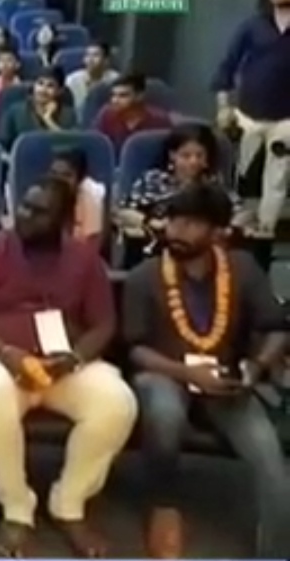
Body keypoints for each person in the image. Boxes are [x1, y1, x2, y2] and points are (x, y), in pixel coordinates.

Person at [0, 176, 136, 558]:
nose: (25, 216)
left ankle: (69, 502)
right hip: (2, 360)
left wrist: (75, 359)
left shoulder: (85, 260)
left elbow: (104, 323)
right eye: (24, 206)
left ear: (64, 221)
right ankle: (17, 507)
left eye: (40, 212)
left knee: (118, 403)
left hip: (63, 364)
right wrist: (6, 354)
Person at [122, 186, 290, 558]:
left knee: (270, 462)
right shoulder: (144, 276)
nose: (177, 231)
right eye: (174, 221)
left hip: (226, 381)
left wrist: (256, 367)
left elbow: (276, 328)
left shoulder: (243, 269)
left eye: (191, 223)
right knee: (164, 410)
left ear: (217, 232)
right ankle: (164, 507)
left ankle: (276, 552)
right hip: (165, 374)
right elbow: (136, 350)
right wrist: (188, 375)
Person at [212, 0, 290, 237]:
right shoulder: (253, 26)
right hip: (249, 116)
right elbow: (227, 66)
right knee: (240, 173)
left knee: (277, 177)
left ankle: (265, 231)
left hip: (286, 119)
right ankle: (234, 227)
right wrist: (223, 106)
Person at [118, 124, 245, 240]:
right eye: (186, 156)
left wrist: (230, 228)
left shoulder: (214, 184)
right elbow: (123, 212)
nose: (193, 162)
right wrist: (151, 222)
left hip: (207, 244)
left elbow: (242, 213)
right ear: (172, 155)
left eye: (199, 156)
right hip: (158, 241)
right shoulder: (153, 180)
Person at [0, 66, 77, 150]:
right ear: (34, 86)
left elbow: (71, 145)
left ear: (59, 91)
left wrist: (48, 120)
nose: (43, 90)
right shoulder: (15, 112)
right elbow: (3, 144)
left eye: (50, 86)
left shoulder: (68, 115)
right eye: (40, 83)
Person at [94, 73, 173, 154]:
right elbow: (94, 145)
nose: (115, 100)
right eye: (113, 95)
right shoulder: (106, 114)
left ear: (139, 96)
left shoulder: (160, 120)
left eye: (123, 96)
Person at [48, 148, 106, 247]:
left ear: (79, 179)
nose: (58, 180)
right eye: (53, 173)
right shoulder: (43, 192)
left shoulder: (92, 196)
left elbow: (91, 246)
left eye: (66, 175)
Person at [64, 41, 119, 110]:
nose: (90, 59)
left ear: (106, 60)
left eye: (95, 55)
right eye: (87, 55)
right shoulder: (72, 80)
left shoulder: (115, 80)